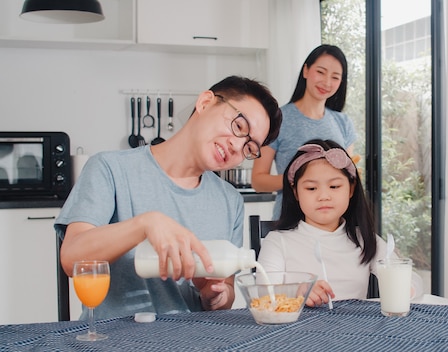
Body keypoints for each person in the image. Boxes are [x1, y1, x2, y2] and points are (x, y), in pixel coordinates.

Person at [55, 76, 282, 320]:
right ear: (205, 102)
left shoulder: (229, 200)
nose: (237, 147)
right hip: (115, 339)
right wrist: (145, 225)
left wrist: (214, 296)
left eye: (249, 148)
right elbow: (72, 259)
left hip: (191, 340)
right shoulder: (110, 169)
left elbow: (225, 292)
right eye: (239, 127)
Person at [257, 139, 394, 307]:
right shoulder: (278, 241)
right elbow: (264, 296)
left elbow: (409, 279)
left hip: (356, 331)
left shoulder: (364, 239)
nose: (323, 196)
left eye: (334, 186)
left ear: (351, 189)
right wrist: (296, 292)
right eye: (311, 188)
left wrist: (405, 288)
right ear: (296, 193)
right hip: (297, 332)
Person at [251, 44, 357, 220]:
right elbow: (258, 181)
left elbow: (347, 178)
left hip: (335, 223)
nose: (327, 82)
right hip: (290, 221)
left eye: (335, 77)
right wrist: (299, 179)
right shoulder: (278, 119)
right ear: (306, 70)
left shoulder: (343, 123)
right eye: (321, 72)